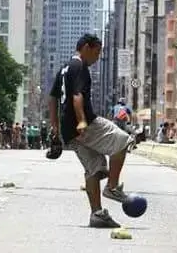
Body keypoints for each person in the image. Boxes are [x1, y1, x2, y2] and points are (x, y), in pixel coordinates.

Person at [48, 34, 139, 228]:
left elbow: (52, 98)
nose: (98, 57)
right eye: (97, 52)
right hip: (85, 124)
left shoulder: (64, 69)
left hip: (68, 130)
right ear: (86, 48)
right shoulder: (80, 67)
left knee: (95, 169)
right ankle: (112, 187)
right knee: (122, 140)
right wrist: (82, 121)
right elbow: (77, 95)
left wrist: (55, 128)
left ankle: (97, 214)